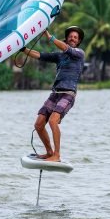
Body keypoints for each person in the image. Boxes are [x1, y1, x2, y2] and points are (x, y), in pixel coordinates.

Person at [21, 26, 85, 162]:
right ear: (67, 38)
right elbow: (39, 55)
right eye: (71, 36)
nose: (72, 39)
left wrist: (50, 37)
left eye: (75, 37)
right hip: (55, 94)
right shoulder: (59, 56)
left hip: (68, 94)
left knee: (53, 121)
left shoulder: (79, 53)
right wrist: (23, 49)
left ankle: (57, 155)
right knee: (38, 124)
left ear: (78, 41)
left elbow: (67, 48)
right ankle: (49, 152)